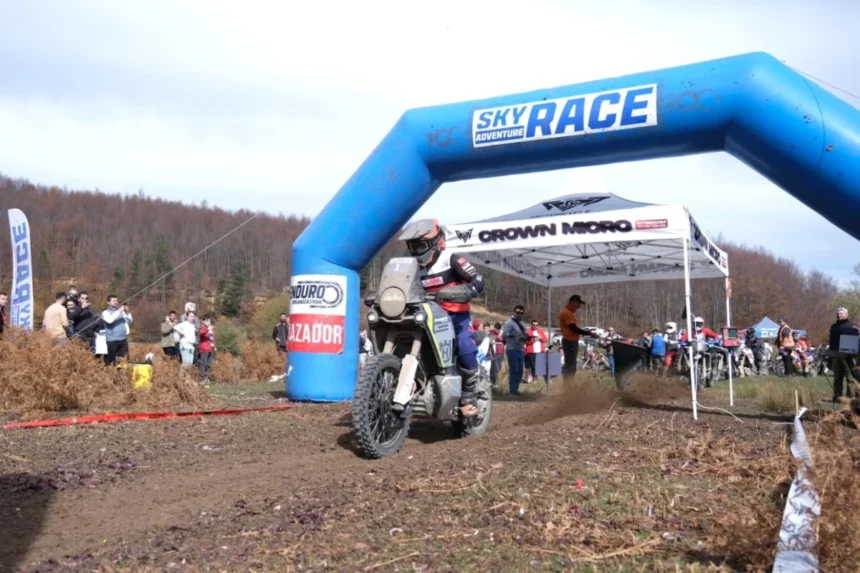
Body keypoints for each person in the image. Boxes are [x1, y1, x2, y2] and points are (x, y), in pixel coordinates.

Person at [400, 219, 485, 416]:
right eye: (413, 246)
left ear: (437, 242)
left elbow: (478, 279)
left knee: (464, 346)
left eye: (420, 245)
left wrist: (462, 290)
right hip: (426, 318)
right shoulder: (412, 267)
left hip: (456, 317)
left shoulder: (451, 259)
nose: (416, 250)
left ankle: (468, 397)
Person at [827, 307, 859, 402]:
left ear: (846, 314)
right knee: (837, 377)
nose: (839, 315)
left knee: (850, 377)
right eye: (838, 314)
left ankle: (851, 397)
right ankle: (838, 397)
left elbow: (856, 340)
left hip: (848, 356)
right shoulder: (833, 327)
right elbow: (831, 341)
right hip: (836, 355)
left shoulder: (852, 326)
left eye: (841, 314)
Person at [558, 295, 595, 376]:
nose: (579, 306)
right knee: (570, 367)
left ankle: (569, 382)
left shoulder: (569, 313)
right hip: (570, 342)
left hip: (571, 341)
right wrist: (589, 333)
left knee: (571, 366)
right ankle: (568, 383)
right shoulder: (566, 313)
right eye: (578, 304)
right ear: (573, 302)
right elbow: (573, 329)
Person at [502, 306, 529, 396]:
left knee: (520, 371)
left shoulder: (523, 323)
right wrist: (514, 335)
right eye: (518, 312)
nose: (519, 314)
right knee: (514, 370)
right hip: (512, 348)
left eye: (521, 313)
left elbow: (524, 334)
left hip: (520, 348)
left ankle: (516, 389)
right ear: (514, 312)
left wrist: (526, 337)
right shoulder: (509, 323)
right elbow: (505, 334)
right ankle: (512, 390)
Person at [101, 295, 132, 365]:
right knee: (111, 361)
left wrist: (127, 312)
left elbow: (129, 321)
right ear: (108, 302)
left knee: (124, 360)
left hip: (123, 339)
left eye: (116, 301)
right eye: (113, 301)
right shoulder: (105, 312)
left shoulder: (121, 312)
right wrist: (119, 311)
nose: (116, 302)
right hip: (112, 340)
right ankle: (110, 370)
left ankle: (122, 371)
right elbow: (109, 320)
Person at [198, 315, 215, 384]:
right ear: (203, 321)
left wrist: (214, 346)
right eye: (207, 321)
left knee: (209, 365)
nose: (208, 322)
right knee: (203, 364)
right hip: (204, 349)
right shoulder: (202, 328)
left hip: (210, 349)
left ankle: (207, 378)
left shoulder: (212, 329)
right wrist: (208, 329)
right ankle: (202, 378)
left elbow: (212, 339)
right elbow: (201, 333)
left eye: (209, 321)